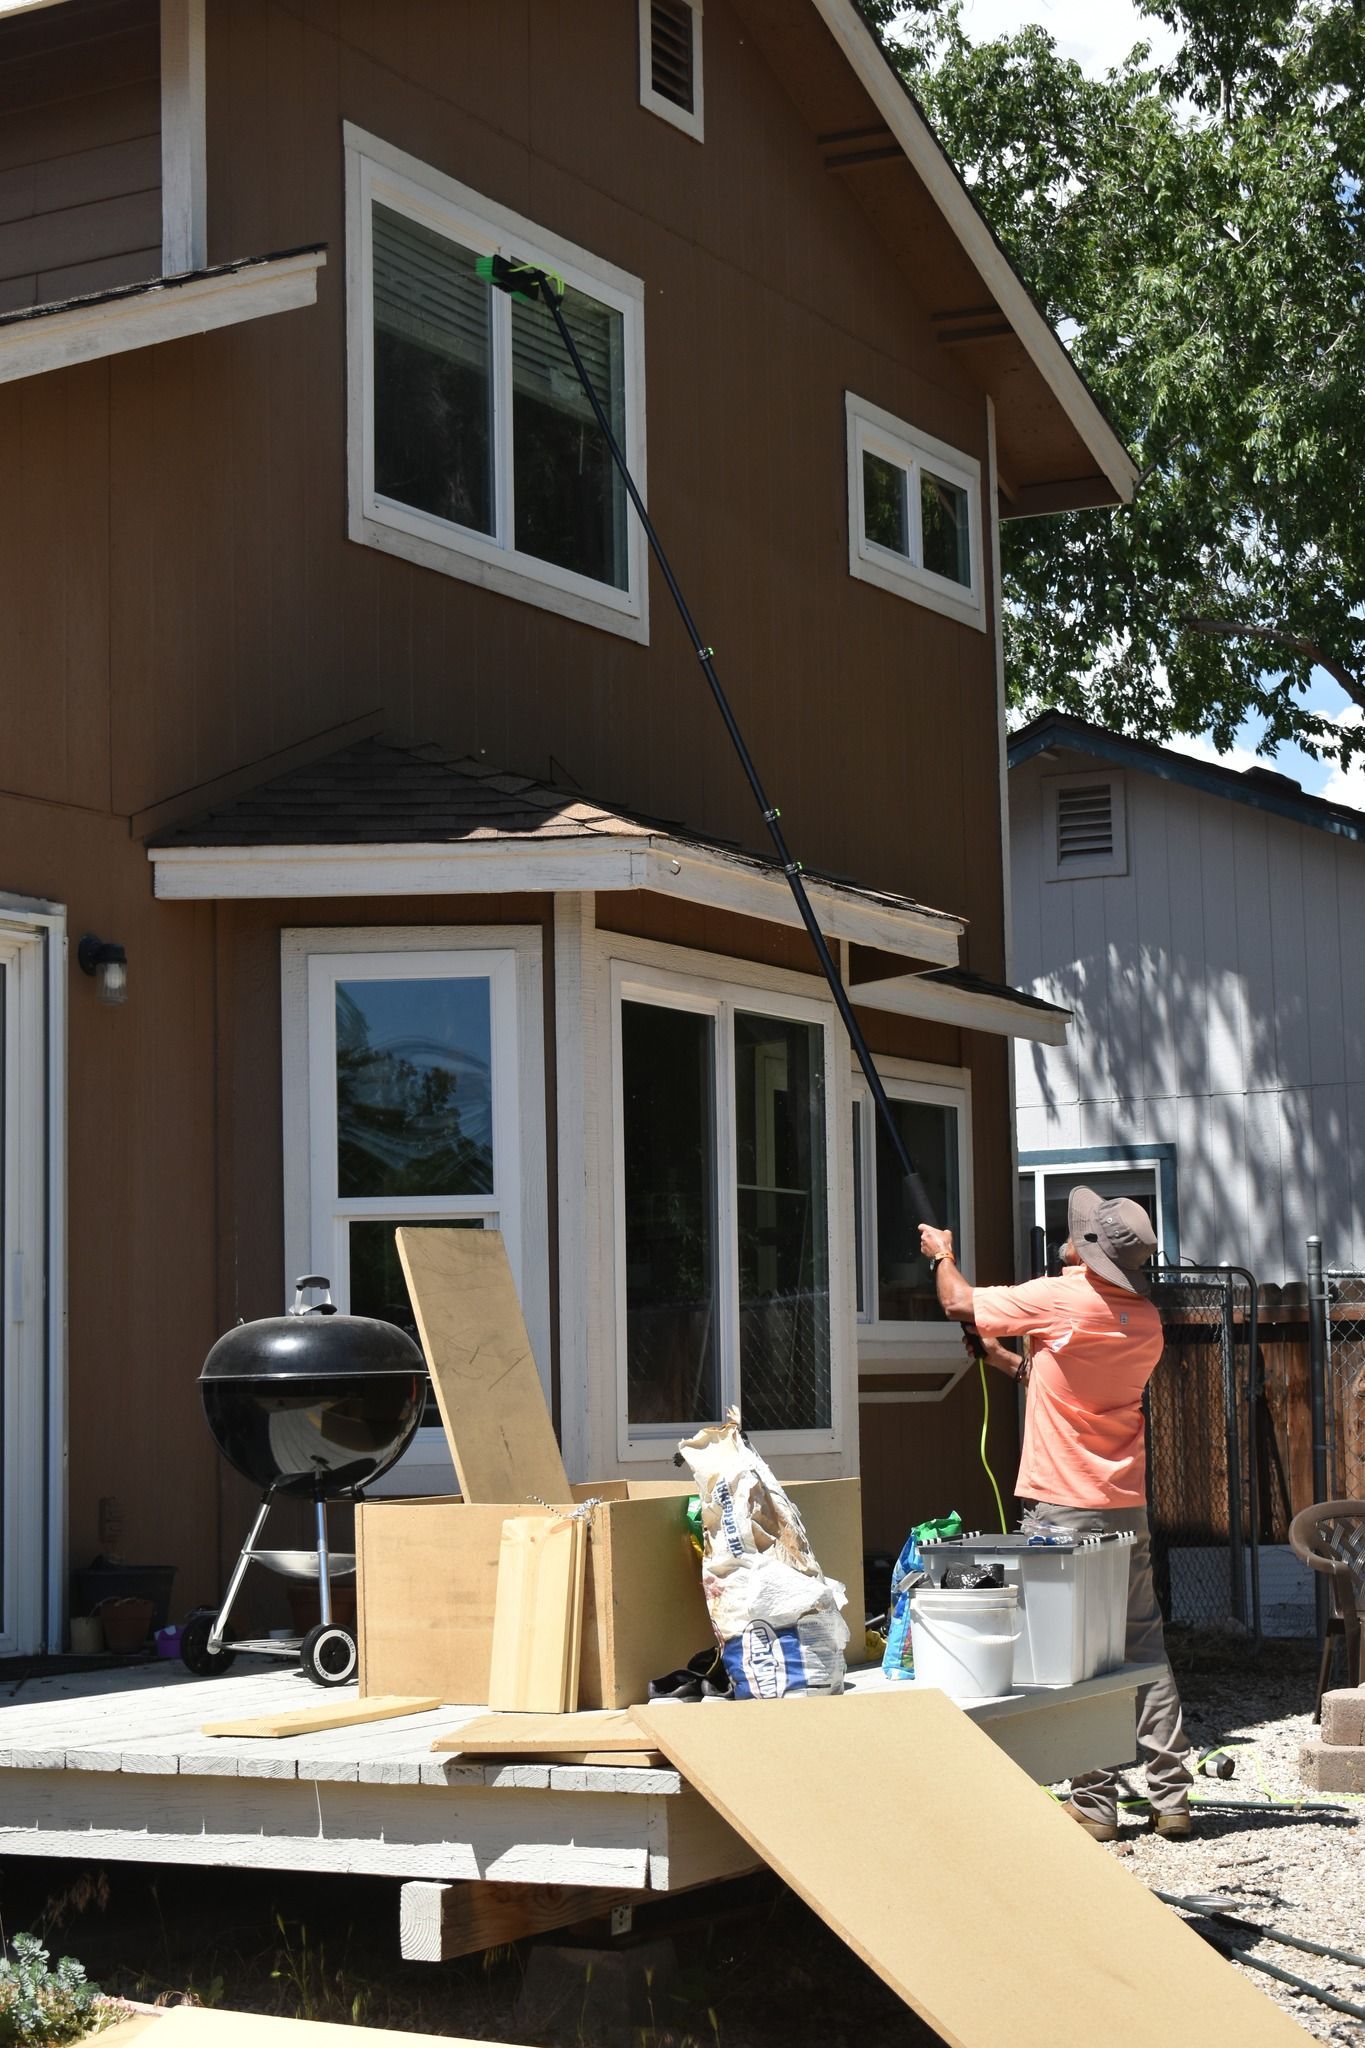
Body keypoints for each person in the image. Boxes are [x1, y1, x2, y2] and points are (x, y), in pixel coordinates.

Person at [918, 1186, 1193, 1841]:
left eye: (1076, 1236)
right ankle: (1171, 1798)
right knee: (1141, 1646)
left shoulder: (1063, 1295)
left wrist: (940, 1254)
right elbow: (1077, 1389)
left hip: (1062, 1509)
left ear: (1088, 1251)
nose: (1064, 1239)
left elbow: (958, 1301)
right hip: (1123, 1504)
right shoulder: (1144, 1322)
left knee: (1073, 1655)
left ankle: (1094, 1807)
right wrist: (1009, 1362)